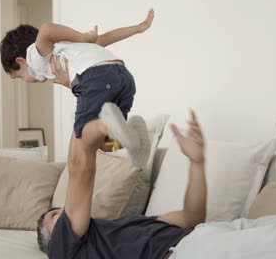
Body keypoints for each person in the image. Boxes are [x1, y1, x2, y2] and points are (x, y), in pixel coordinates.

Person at [37, 103, 207, 259]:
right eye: (54, 215)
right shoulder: (63, 251)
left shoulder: (129, 221)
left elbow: (191, 218)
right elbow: (81, 170)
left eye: (61, 210)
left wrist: (197, 162)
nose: (65, 211)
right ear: (52, 242)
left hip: (208, 237)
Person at [0, 9, 155, 167]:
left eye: (19, 76)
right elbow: (106, 38)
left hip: (97, 77)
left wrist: (84, 36)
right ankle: (134, 136)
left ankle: (108, 124)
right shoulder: (72, 48)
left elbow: (46, 29)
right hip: (123, 76)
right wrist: (138, 28)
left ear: (21, 61)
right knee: (106, 143)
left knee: (83, 135)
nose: (25, 80)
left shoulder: (34, 56)